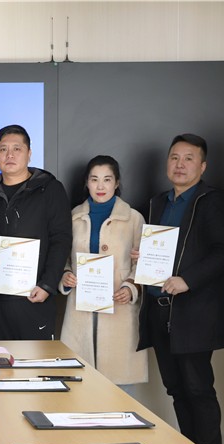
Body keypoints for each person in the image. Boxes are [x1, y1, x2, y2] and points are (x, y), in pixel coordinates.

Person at [136, 133, 224, 444]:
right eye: (174, 157)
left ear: (202, 166)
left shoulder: (212, 200)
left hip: (194, 312)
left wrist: (188, 280)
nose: (180, 165)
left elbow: (223, 251)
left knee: (198, 389)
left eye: (189, 158)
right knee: (176, 389)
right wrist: (143, 258)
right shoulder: (158, 202)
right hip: (159, 310)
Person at [59, 155, 148, 388]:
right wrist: (65, 275)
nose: (100, 186)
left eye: (107, 179)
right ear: (86, 183)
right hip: (80, 311)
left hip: (119, 310)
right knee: (80, 390)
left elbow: (144, 264)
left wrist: (131, 287)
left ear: (116, 183)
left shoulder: (134, 218)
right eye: (94, 179)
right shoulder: (73, 217)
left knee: (120, 394)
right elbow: (62, 259)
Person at [0, 124, 72, 340]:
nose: (9, 155)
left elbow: (61, 239)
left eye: (17, 149)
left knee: (34, 360)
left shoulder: (50, 189)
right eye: (3, 149)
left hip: (35, 296)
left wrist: (48, 285)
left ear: (29, 153)